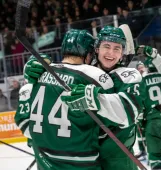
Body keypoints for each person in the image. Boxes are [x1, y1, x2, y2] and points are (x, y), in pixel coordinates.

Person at [21, 26, 145, 170]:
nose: (111, 53)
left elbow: (130, 111)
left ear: (122, 53)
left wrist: (95, 99)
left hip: (118, 160)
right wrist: (36, 67)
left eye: (117, 49)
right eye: (106, 46)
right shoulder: (84, 71)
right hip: (87, 157)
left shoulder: (129, 75)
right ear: (96, 49)